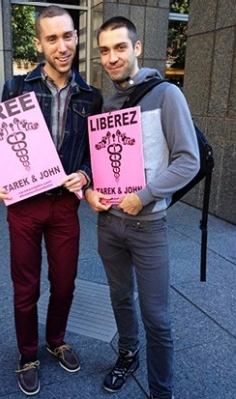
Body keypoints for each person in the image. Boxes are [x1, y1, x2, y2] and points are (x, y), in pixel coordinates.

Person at [85, 16, 199, 399]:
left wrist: (145, 195)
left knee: (157, 318)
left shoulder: (166, 95)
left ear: (136, 48)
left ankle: (161, 391)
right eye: (104, 50)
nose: (112, 57)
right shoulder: (104, 103)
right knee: (119, 298)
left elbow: (188, 159)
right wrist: (93, 192)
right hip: (108, 223)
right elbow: (102, 164)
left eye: (120, 47)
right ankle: (127, 354)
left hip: (148, 226)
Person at [0, 6, 102, 396]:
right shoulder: (16, 88)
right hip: (23, 205)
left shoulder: (91, 95)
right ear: (39, 43)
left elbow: (94, 151)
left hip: (63, 206)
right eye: (52, 38)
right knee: (26, 286)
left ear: (76, 37)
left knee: (66, 282)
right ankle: (27, 354)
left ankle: (55, 339)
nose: (62, 46)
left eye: (68, 36)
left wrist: (86, 174)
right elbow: (2, 142)